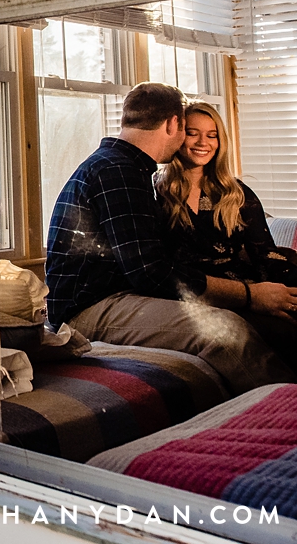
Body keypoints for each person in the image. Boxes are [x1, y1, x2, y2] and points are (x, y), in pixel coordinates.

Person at [45, 82, 295, 394]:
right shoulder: (118, 170)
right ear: (173, 123)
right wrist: (248, 295)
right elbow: (152, 273)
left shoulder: (123, 166)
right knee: (227, 332)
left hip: (110, 299)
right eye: (189, 131)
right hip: (89, 310)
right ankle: (284, 413)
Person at [155, 101, 297, 371]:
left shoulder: (236, 192)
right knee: (277, 333)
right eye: (193, 132)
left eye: (212, 135)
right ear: (177, 135)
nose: (202, 142)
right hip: (197, 298)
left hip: (249, 286)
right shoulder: (155, 192)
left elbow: (266, 254)